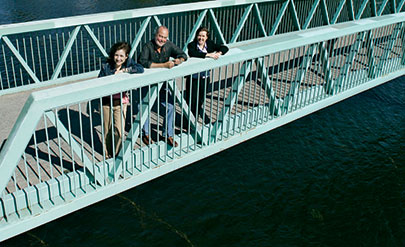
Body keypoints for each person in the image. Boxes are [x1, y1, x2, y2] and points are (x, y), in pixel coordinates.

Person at [138, 26, 188, 147]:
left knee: (170, 106)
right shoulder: (147, 46)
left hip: (163, 83)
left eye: (165, 37)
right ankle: (146, 134)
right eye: (160, 36)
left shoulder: (169, 45)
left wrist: (179, 60)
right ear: (155, 35)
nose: (162, 39)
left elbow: (183, 54)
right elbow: (142, 62)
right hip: (148, 82)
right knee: (144, 106)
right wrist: (163, 65)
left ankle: (168, 134)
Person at [98, 41, 144, 158]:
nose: (118, 58)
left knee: (119, 129)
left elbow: (140, 69)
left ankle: (117, 153)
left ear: (126, 56)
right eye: (116, 55)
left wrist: (125, 71)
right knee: (107, 129)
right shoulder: (106, 66)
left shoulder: (128, 63)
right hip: (107, 101)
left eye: (121, 56)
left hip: (120, 102)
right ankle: (108, 153)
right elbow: (99, 81)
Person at [186, 27, 228, 124]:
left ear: (207, 37)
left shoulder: (210, 44)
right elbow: (192, 53)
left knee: (201, 99)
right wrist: (208, 55)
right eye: (199, 35)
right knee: (191, 100)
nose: (201, 38)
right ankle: (189, 121)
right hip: (194, 78)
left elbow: (225, 47)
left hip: (205, 77)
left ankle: (194, 120)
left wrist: (219, 53)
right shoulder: (192, 45)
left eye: (203, 36)